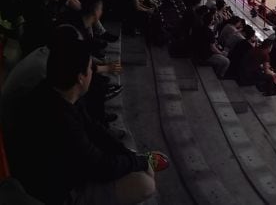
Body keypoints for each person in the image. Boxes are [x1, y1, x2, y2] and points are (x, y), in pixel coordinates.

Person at [2, 32, 167, 205]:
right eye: (90, 68)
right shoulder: (60, 119)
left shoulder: (55, 92)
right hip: (58, 194)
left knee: (139, 166)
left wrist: (129, 155)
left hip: (67, 171)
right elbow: (100, 166)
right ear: (80, 78)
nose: (92, 72)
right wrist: (138, 162)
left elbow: (94, 129)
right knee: (146, 184)